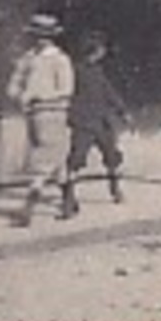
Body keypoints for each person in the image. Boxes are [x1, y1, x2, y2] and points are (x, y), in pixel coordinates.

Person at [6, 13, 75, 227]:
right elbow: (16, 81)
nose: (40, 40)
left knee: (43, 159)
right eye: (37, 36)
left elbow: (66, 89)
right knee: (56, 159)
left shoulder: (60, 60)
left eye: (45, 36)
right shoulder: (29, 58)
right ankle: (69, 199)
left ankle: (28, 208)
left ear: (53, 37)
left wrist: (39, 96)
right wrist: (16, 94)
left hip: (53, 112)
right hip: (33, 114)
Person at [64, 30, 130, 211]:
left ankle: (115, 188)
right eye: (101, 48)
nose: (103, 52)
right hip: (84, 122)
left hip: (101, 121)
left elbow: (108, 92)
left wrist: (121, 110)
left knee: (111, 155)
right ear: (94, 50)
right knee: (76, 159)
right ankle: (69, 196)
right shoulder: (76, 71)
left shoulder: (97, 71)